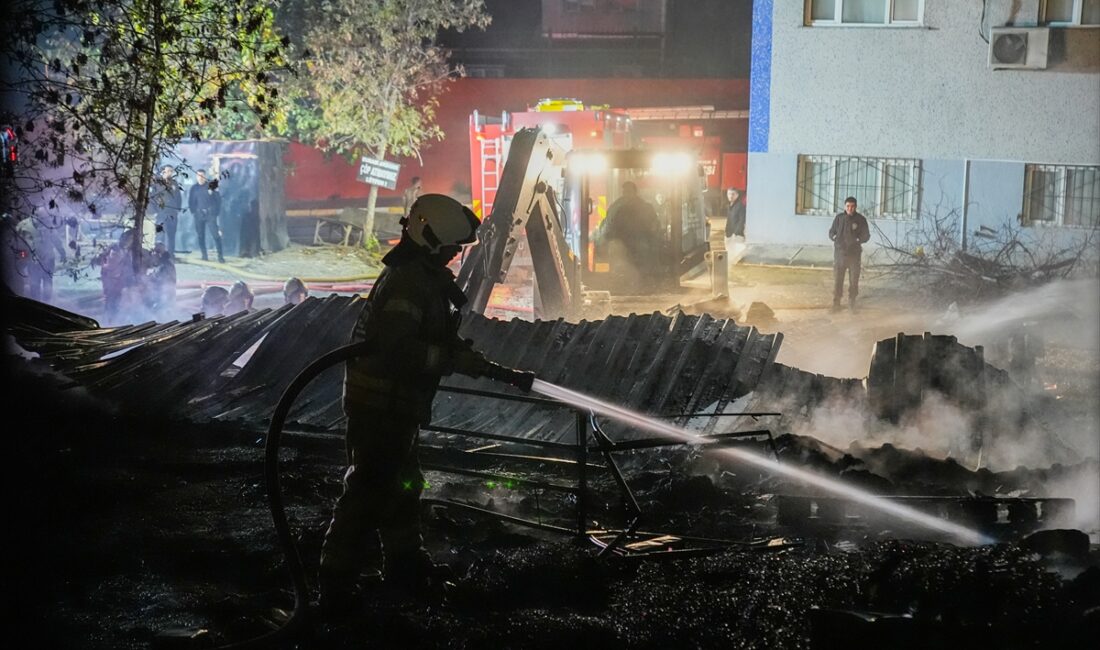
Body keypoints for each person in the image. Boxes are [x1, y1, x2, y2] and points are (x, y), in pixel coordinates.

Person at [318, 193, 528, 612]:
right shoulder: (409, 282)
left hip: (398, 408)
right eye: (451, 248)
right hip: (380, 406)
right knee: (368, 490)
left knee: (405, 486)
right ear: (429, 238)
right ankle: (336, 585)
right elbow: (397, 349)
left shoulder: (423, 277)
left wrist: (477, 364)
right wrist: (450, 360)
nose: (454, 255)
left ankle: (404, 565)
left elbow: (436, 341)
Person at [594, 181, 662, 291]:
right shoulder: (618, 207)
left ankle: (643, 279)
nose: (626, 194)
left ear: (634, 192)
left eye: (628, 191)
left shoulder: (618, 207)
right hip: (628, 248)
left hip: (636, 247)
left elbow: (654, 228)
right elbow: (606, 227)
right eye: (625, 191)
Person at [828, 196, 871, 311]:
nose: (850, 209)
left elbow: (866, 235)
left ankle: (852, 303)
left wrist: (858, 240)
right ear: (844, 207)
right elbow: (831, 231)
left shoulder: (861, 220)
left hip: (854, 255)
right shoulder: (839, 218)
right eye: (848, 206)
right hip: (840, 254)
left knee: (853, 280)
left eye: (852, 207)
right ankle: (836, 304)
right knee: (838, 279)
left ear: (855, 207)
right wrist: (833, 237)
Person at [187, 169, 225, 263]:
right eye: (199, 175)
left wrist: (215, 212)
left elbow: (218, 200)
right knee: (200, 236)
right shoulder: (194, 188)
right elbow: (191, 201)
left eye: (202, 175)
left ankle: (220, 256)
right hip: (199, 215)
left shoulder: (211, 185)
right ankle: (204, 255)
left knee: (216, 235)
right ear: (196, 176)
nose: (200, 177)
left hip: (210, 214)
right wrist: (194, 212)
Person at [151, 165, 183, 258]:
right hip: (161, 213)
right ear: (163, 172)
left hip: (172, 213)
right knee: (160, 234)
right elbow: (153, 198)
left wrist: (177, 209)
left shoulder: (174, 183)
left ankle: (170, 254)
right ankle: (158, 254)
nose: (170, 173)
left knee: (171, 234)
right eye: (168, 171)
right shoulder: (157, 184)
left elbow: (178, 198)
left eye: (171, 171)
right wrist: (156, 210)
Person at [724, 188, 747, 266]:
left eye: (733, 194)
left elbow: (741, 221)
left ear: (737, 195)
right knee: (729, 255)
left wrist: (736, 233)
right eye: (729, 194)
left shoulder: (740, 206)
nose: (731, 196)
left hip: (736, 235)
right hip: (729, 235)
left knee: (736, 256)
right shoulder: (729, 206)